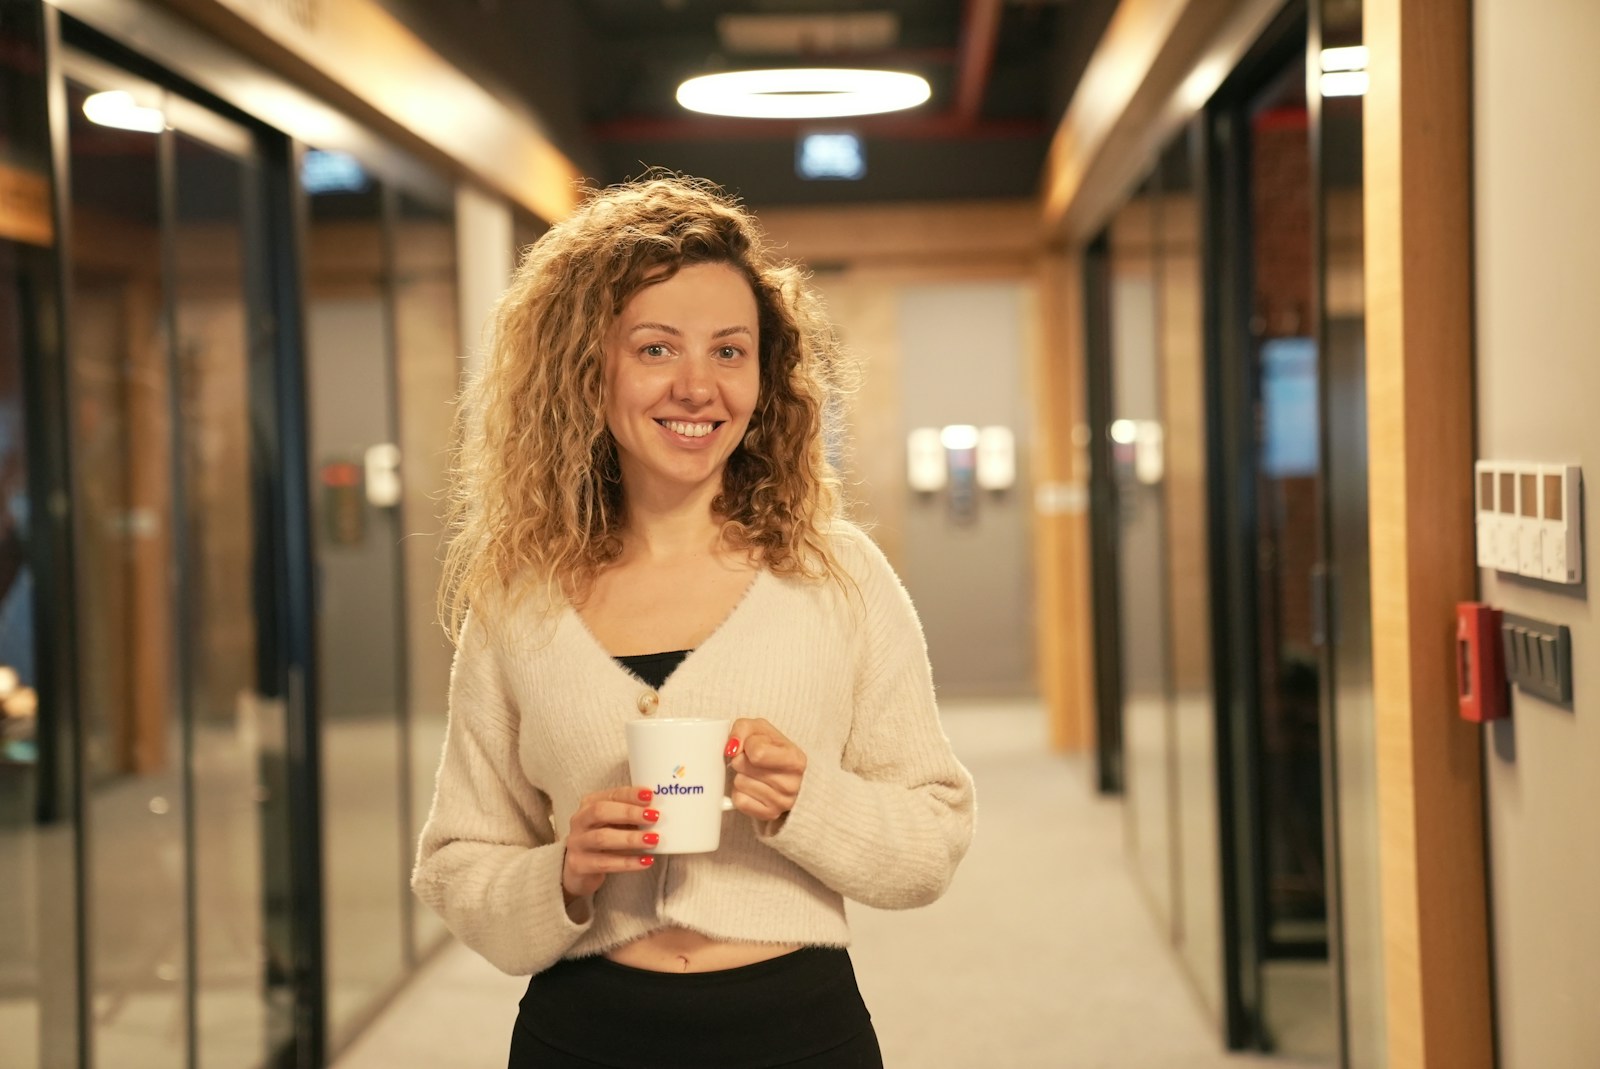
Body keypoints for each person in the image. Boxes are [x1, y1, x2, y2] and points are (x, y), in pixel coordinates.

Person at [412, 174, 976, 1068]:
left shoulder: (838, 577)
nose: (696, 386)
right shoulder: (519, 599)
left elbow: (932, 837)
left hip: (798, 1029)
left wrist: (809, 801)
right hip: (583, 1032)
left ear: (764, 373)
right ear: (587, 368)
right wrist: (559, 870)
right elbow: (455, 860)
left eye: (728, 350)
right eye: (655, 348)